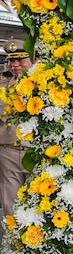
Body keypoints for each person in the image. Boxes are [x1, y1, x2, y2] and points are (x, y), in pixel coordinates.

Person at [0, 43, 31, 216]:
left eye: (20, 59)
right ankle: (14, 242)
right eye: (11, 61)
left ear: (32, 59)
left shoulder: (45, 83)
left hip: (34, 151)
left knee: (38, 201)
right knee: (10, 205)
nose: (15, 65)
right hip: (8, 150)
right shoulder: (2, 84)